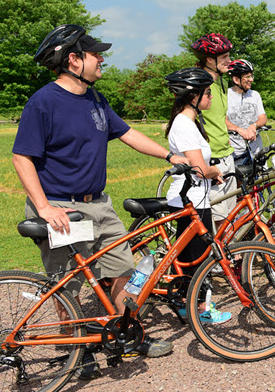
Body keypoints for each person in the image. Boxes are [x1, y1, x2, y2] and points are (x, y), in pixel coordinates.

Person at [11, 25, 178, 378]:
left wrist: (171, 157)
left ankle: (124, 335)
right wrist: (43, 207)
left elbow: (128, 134)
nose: (101, 59)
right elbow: (22, 158)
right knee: (67, 284)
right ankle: (77, 349)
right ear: (73, 60)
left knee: (124, 271)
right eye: (94, 54)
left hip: (100, 205)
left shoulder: (95, 99)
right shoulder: (44, 102)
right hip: (62, 208)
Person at [164, 67, 231, 324]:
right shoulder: (184, 124)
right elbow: (199, 169)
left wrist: (209, 172)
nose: (211, 97)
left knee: (191, 258)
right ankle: (201, 309)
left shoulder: (189, 122)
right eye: (207, 93)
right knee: (197, 259)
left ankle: (188, 305)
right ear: (193, 96)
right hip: (188, 198)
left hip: (194, 196)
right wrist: (217, 169)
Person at [191, 33, 241, 226]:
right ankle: (222, 256)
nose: (229, 60)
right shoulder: (199, 87)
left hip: (228, 154)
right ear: (210, 60)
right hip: (212, 158)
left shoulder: (222, 82)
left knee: (230, 214)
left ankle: (232, 254)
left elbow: (221, 118)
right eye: (224, 57)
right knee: (219, 218)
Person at [226, 59, 267, 165]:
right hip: (235, 150)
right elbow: (222, 120)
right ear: (236, 79)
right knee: (239, 180)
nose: (251, 79)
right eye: (247, 77)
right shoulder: (225, 96)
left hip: (256, 147)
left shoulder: (255, 95)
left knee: (263, 177)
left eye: (251, 76)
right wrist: (240, 130)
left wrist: (253, 126)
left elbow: (263, 118)